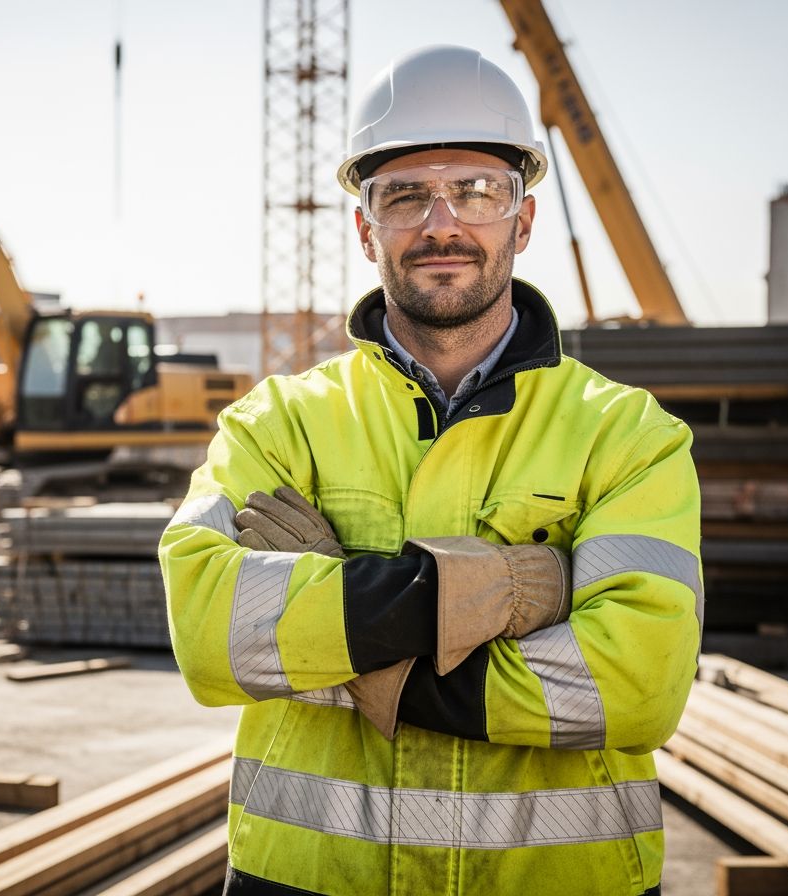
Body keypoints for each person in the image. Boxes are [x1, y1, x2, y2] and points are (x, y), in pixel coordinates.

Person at [159, 44, 701, 896]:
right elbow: (210, 637)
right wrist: (509, 593)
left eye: (477, 191)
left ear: (522, 221)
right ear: (365, 225)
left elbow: (633, 689)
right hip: (306, 881)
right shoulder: (276, 421)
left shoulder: (629, 435)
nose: (440, 223)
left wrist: (340, 616)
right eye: (404, 195)